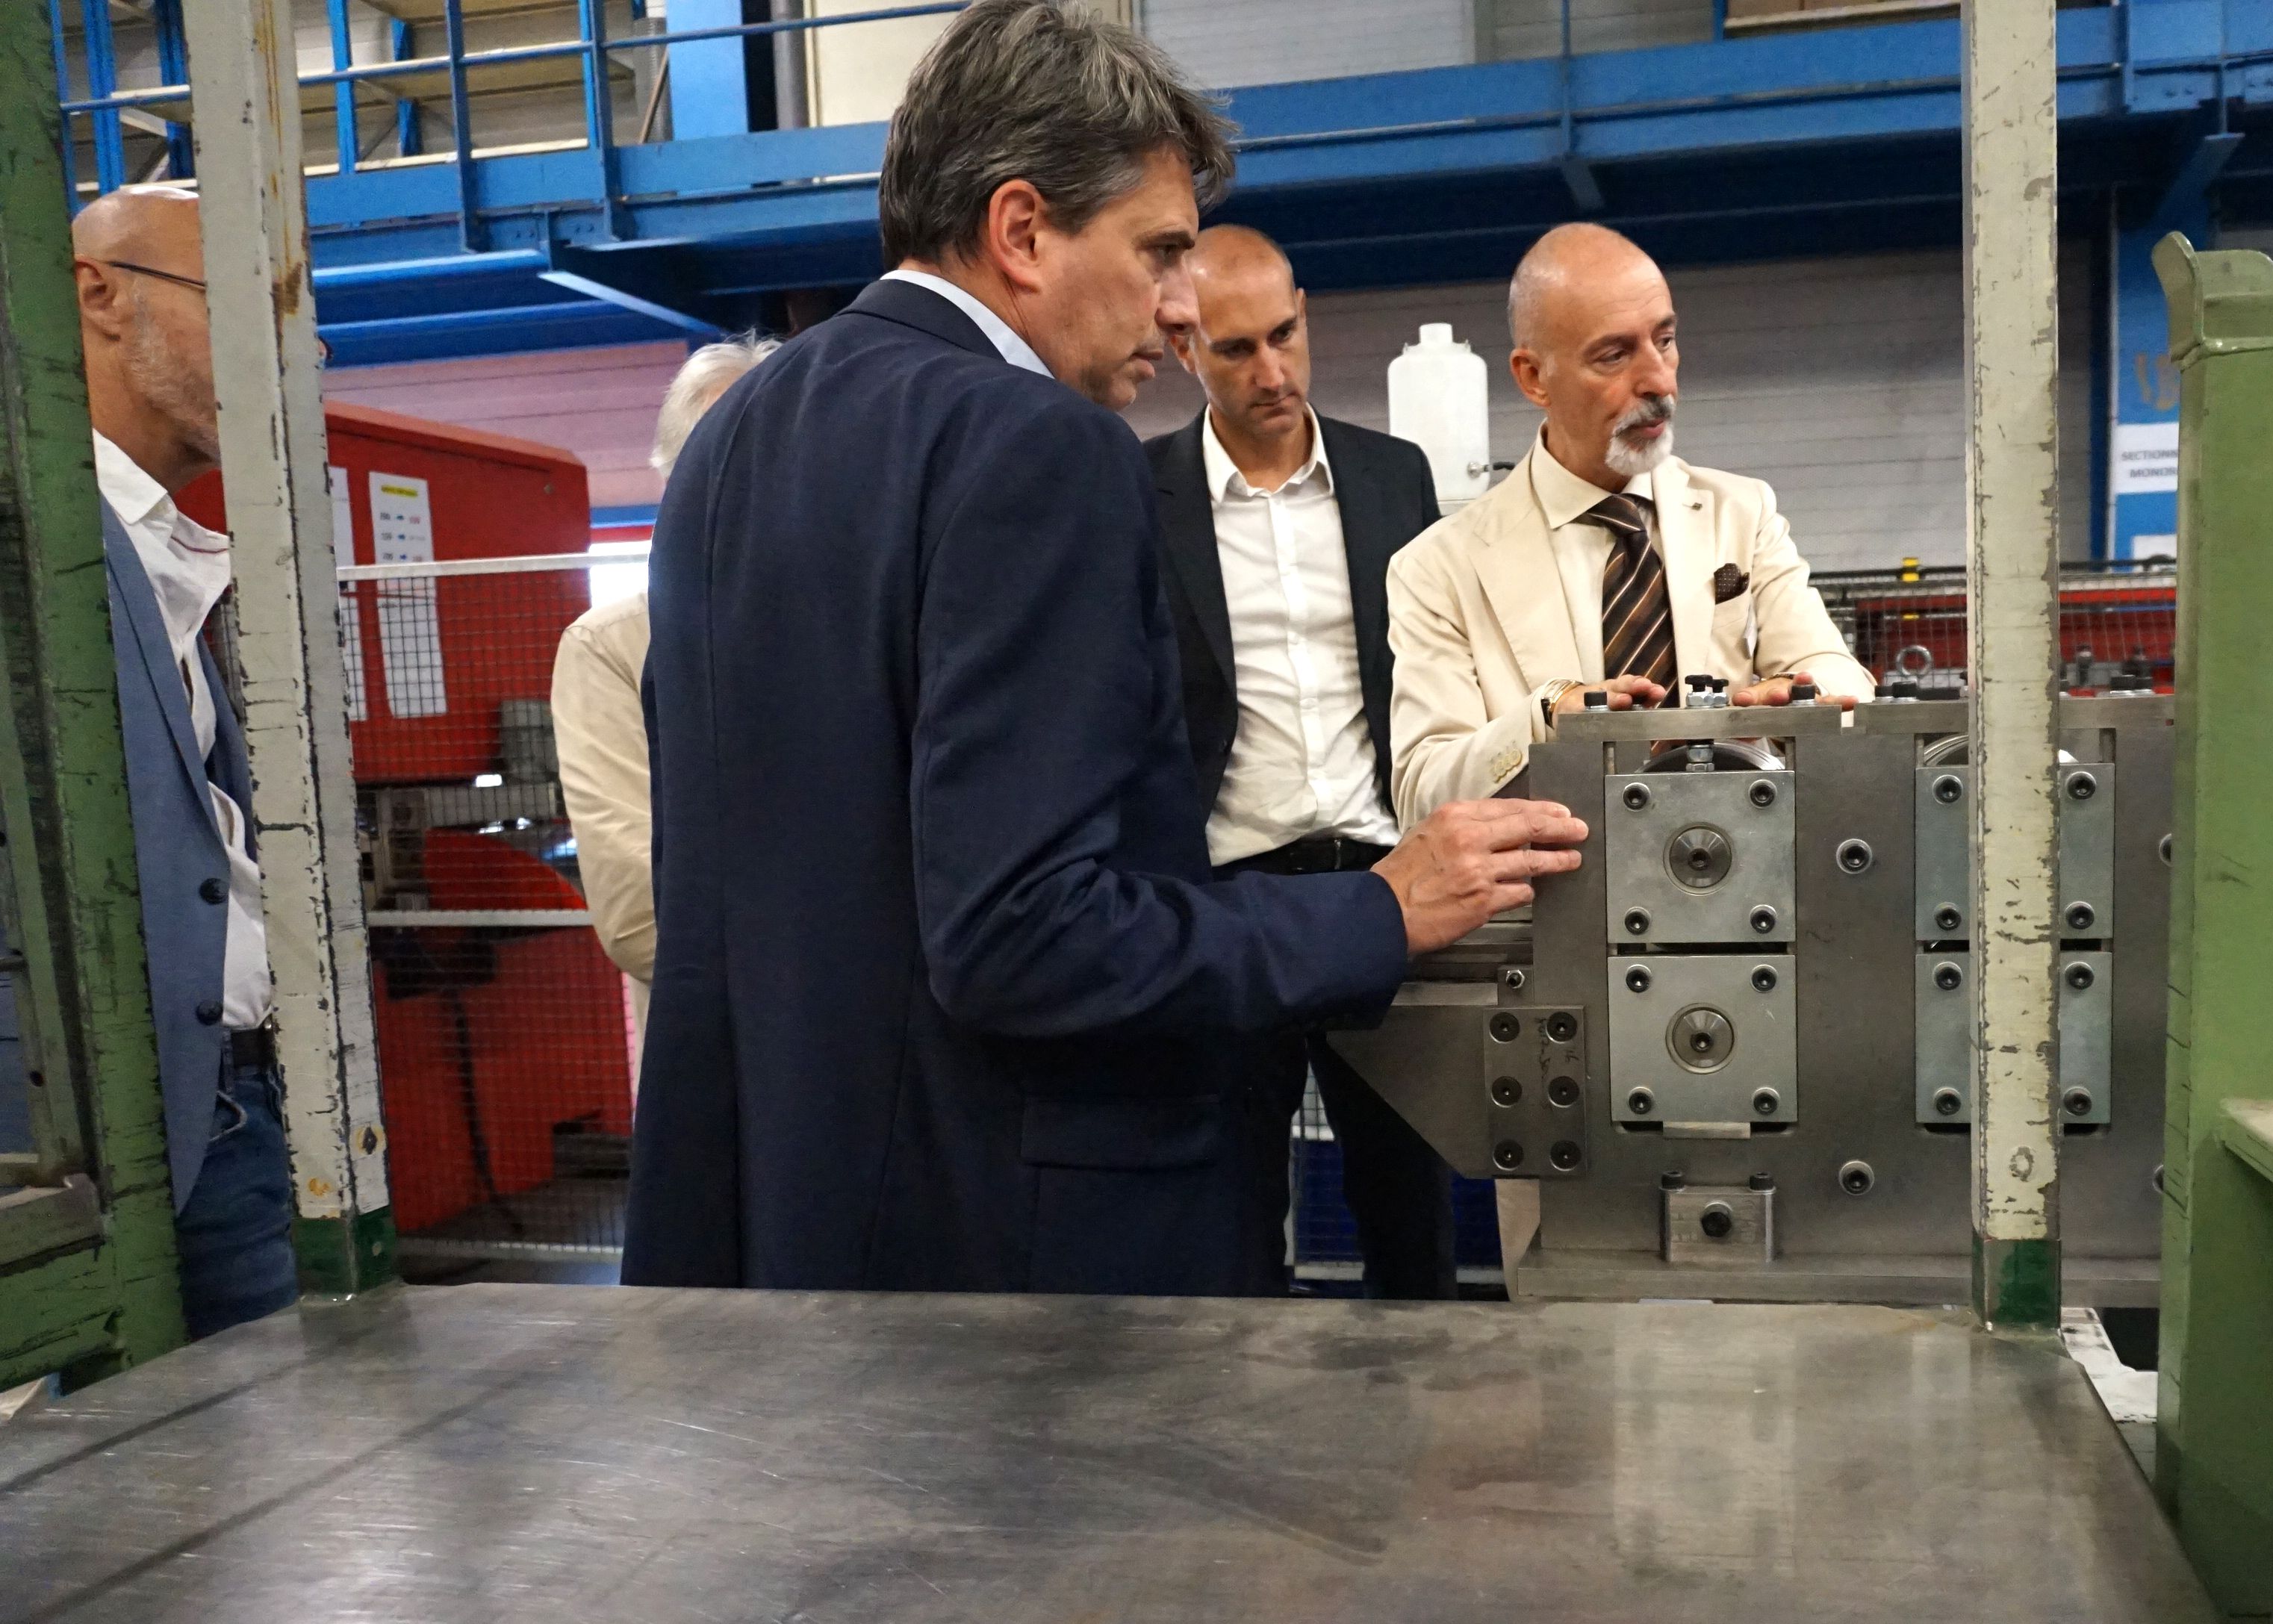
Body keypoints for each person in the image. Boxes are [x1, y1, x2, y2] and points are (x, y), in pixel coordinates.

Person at [621, 0, 1584, 1295]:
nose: (1182, 309)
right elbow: (1024, 934)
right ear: (1023, 229)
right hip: (1023, 1265)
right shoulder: (1036, 446)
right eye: (1160, 253)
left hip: (777, 1233)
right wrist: (1377, 909)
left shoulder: (732, 444)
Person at [1384, 222, 1874, 1262]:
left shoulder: (1741, 515)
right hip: (1564, 984)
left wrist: (1783, 701)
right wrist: (1551, 722)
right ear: (1531, 373)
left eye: (1666, 340)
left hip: (1762, 959)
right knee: (1573, 1305)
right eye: (1614, 355)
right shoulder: (1440, 567)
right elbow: (1422, 790)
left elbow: (1842, 684)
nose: (1657, 381)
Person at [1145, 225, 1460, 1300]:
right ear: (1182, 346)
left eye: (1284, 335)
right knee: (1226, 1209)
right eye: (1235, 350)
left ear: (1306, 313)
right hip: (1229, 901)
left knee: (1407, 1206)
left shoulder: (1391, 479)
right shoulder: (1139, 496)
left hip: (1381, 883)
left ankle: (1429, 1442)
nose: (1271, 372)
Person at [71, 186, 296, 1337]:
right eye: (244, 308)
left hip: (240, 1111)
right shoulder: (46, 545)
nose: (280, 355)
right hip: (96, 1139)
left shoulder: (176, 548)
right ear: (100, 296)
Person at [547, 335, 778, 1063]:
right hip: (735, 1072)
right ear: (683, 482)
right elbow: (644, 915)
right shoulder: (615, 648)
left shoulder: (899, 620)